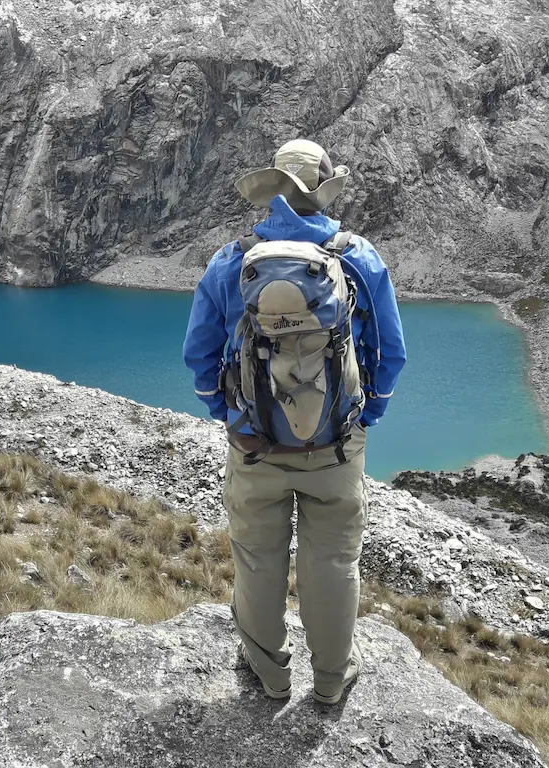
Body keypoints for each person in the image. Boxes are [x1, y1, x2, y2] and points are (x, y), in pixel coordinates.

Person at [183, 139, 406, 704]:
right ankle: (331, 683)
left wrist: (231, 416)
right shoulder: (356, 256)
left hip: (256, 445)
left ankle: (269, 675)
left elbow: (200, 357)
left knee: (258, 558)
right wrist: (363, 418)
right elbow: (390, 353)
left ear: (270, 189)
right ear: (326, 189)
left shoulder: (232, 259)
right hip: (335, 446)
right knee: (332, 561)